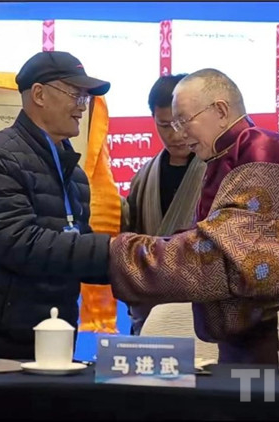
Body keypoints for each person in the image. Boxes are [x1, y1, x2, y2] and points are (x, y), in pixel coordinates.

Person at [108, 68, 279, 365]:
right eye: (172, 123)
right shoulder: (217, 158)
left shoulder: (262, 148)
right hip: (257, 328)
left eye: (184, 121)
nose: (180, 133)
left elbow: (228, 251)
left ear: (220, 110)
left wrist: (110, 255)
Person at [0, 51, 112, 359]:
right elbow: (22, 244)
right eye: (75, 94)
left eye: (85, 97)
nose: (82, 106)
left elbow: (75, 248)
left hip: (49, 332)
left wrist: (135, 267)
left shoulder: (74, 175)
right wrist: (116, 253)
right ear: (39, 94)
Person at [122, 74, 207, 335]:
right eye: (165, 125)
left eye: (181, 123)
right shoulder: (143, 176)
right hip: (148, 311)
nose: (176, 135)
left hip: (197, 312)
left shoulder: (216, 172)